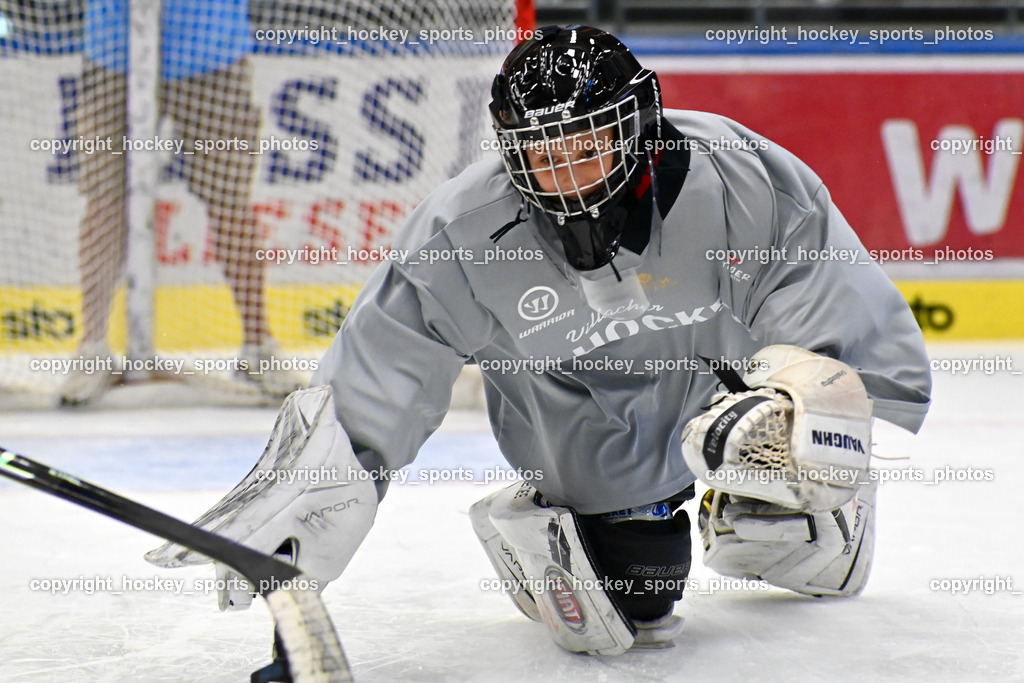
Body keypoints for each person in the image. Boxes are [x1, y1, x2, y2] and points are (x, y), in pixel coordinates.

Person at [147, 25, 932, 659]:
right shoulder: (462, 232)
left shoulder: (744, 178)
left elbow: (841, 322)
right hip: (583, 406)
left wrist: (803, 413)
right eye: (544, 155)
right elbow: (377, 379)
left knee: (796, 518)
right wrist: (312, 491)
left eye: (589, 144)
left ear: (642, 125)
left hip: (720, 384)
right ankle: (553, 516)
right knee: (638, 596)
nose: (569, 174)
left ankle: (768, 500)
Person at [62, 0, 301, 405]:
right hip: (113, 51)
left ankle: (258, 348)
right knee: (105, 202)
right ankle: (92, 349)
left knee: (230, 205)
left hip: (210, 49)